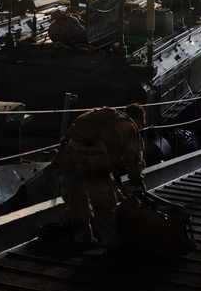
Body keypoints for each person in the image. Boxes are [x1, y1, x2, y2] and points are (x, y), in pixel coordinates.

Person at [54, 105, 145, 250]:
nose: (140, 128)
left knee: (77, 203)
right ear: (138, 119)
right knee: (104, 206)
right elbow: (133, 161)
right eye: (141, 125)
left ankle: (83, 240)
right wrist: (137, 183)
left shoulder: (105, 117)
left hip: (69, 158)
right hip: (93, 162)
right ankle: (112, 245)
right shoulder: (130, 127)